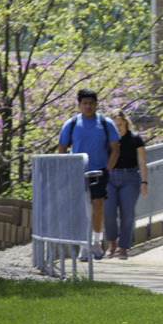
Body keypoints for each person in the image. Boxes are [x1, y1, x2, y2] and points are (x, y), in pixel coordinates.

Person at [58, 89, 121, 261]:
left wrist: (108, 168)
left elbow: (116, 148)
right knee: (81, 209)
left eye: (91, 103)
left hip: (99, 170)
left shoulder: (105, 123)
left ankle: (96, 242)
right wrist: (67, 168)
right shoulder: (70, 124)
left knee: (97, 206)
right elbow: (62, 148)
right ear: (79, 105)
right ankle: (83, 247)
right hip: (77, 170)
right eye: (84, 103)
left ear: (96, 104)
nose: (88, 106)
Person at [103, 109, 147, 260]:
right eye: (115, 125)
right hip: (110, 178)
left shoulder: (135, 139)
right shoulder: (107, 139)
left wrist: (144, 181)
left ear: (126, 124)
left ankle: (124, 247)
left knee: (127, 214)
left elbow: (142, 161)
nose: (118, 128)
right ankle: (112, 242)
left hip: (130, 178)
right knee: (108, 213)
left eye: (120, 124)